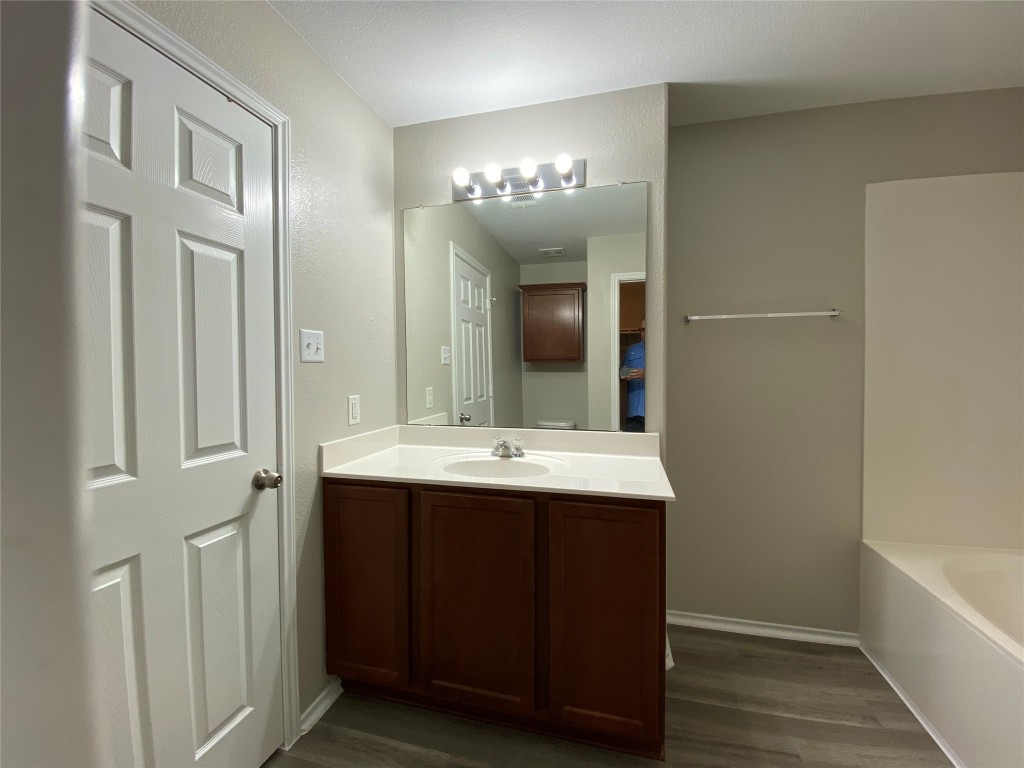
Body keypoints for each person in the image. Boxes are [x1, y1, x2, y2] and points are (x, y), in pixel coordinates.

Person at [619, 317, 645, 432]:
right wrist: (624, 375)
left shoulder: (664, 350)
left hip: (655, 413)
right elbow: (621, 373)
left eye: (647, 329)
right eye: (642, 330)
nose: (644, 333)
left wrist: (648, 375)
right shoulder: (632, 350)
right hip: (633, 413)